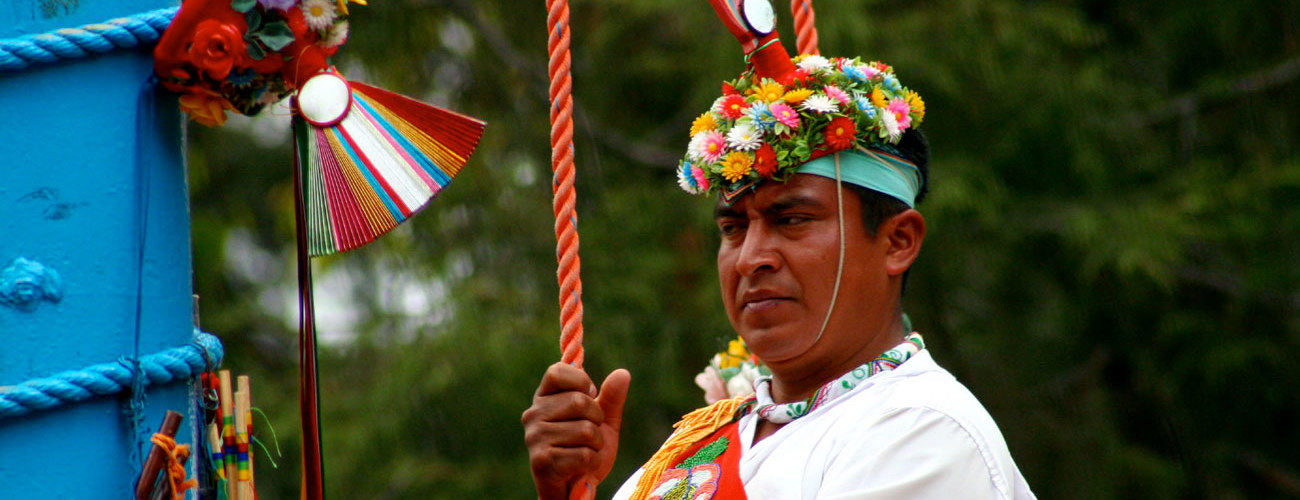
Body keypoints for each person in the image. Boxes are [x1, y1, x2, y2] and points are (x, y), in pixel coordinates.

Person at [523, 3, 1035, 498]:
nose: (750, 258)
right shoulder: (690, 451)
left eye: (791, 220)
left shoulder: (923, 430)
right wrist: (565, 492)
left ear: (897, 242)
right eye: (732, 228)